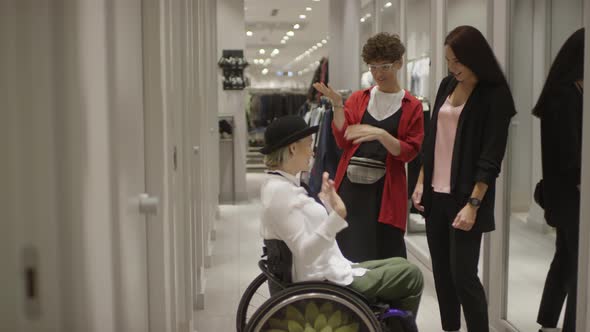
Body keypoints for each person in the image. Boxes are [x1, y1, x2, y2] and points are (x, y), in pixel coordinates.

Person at [258, 115, 424, 321]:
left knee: (401, 264)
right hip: (323, 281)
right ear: (293, 149)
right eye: (309, 145)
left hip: (330, 269)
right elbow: (305, 252)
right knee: (412, 275)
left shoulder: (281, 185)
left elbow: (307, 229)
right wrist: (337, 217)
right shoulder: (280, 192)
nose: (312, 151)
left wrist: (327, 203)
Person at [411, 26, 516, 332]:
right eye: (448, 61)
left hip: (466, 199)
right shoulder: (447, 84)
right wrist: (420, 180)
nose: (453, 67)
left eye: (458, 60)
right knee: (442, 275)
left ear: (475, 58)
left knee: (463, 275)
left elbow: (491, 158)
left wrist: (473, 204)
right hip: (436, 194)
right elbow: (431, 140)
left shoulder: (495, 95)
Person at [313, 32, 424, 261]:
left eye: (384, 67)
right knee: (351, 251)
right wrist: (337, 105)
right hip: (352, 188)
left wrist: (381, 134)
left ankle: (380, 297)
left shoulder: (411, 106)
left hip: (386, 190)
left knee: (385, 251)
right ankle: (350, 297)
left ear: (399, 63)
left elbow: (409, 152)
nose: (378, 74)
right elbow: (344, 140)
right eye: (372, 67)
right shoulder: (358, 99)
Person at [533, 28, 584, 332]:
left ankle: (549, 323)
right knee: (578, 265)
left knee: (566, 259)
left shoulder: (569, 90)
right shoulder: (565, 95)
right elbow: (570, 150)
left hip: (566, 193)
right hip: (571, 193)